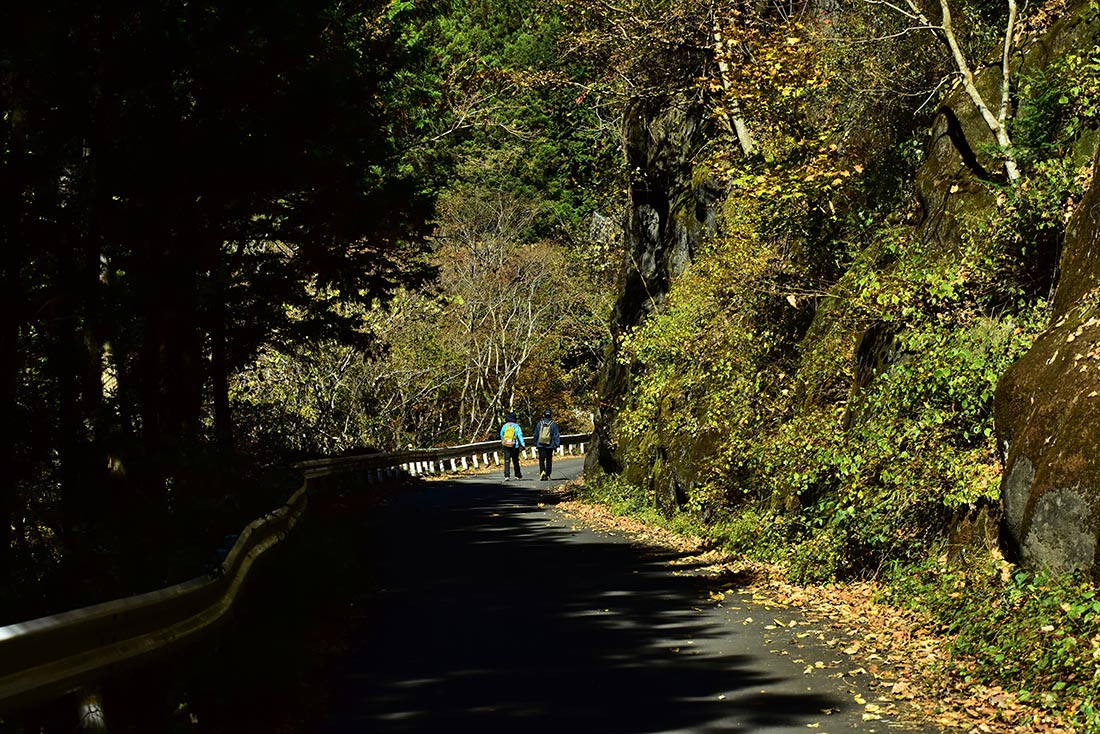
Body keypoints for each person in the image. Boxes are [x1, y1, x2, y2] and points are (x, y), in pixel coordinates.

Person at [533, 409, 561, 480]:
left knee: (541, 460)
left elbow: (536, 434)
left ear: (543, 415)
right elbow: (556, 435)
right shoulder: (553, 424)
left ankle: (542, 471)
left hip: (540, 445)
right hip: (550, 445)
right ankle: (548, 474)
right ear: (550, 415)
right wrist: (557, 445)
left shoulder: (539, 424)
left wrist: (535, 443)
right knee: (549, 460)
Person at [500, 411, 525, 480]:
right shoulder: (517, 427)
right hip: (514, 446)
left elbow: (501, 435)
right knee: (515, 460)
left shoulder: (505, 426)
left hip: (506, 445)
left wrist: (504, 441)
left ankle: (507, 475)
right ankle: (517, 475)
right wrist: (523, 444)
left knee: (507, 460)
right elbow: (520, 436)